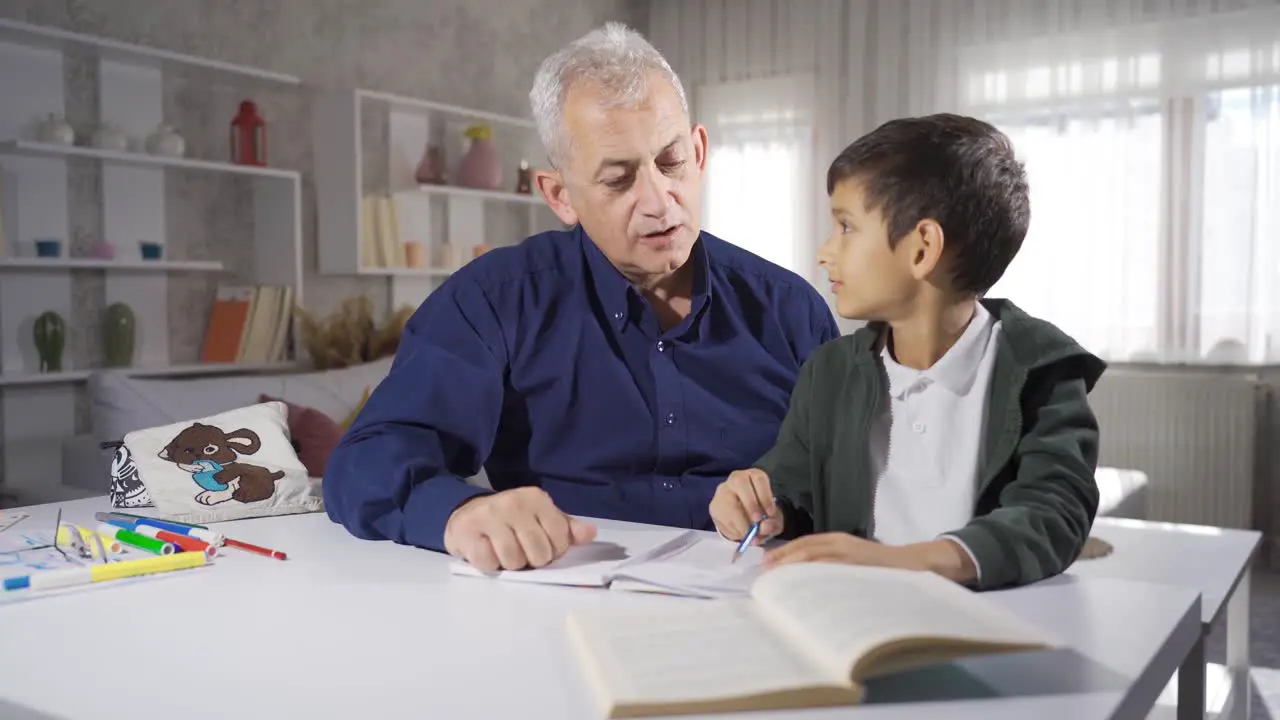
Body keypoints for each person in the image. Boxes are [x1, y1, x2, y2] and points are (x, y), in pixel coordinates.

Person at [323, 23, 838, 572]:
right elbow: (365, 462)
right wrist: (460, 515)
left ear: (700, 150)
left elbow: (852, 481)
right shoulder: (494, 301)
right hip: (562, 604)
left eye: (671, 163)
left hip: (761, 601)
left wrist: (788, 503)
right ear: (560, 196)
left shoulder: (791, 311)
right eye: (619, 180)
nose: (660, 203)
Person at [709, 113, 1106, 590]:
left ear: (922, 249)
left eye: (846, 227)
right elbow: (793, 488)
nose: (825, 252)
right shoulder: (830, 372)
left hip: (985, 633)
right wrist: (756, 503)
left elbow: (1054, 514)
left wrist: (915, 561)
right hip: (848, 621)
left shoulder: (1041, 371)